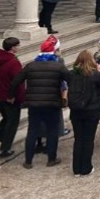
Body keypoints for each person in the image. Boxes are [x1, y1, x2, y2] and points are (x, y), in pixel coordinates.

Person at [14, 36, 70, 169]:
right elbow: (70, 80)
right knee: (52, 131)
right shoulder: (58, 66)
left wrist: (11, 95)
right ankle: (51, 158)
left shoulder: (30, 66)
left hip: (34, 104)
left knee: (32, 131)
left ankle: (28, 160)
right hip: (52, 103)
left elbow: (16, 81)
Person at [67, 50, 100, 176]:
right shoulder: (96, 75)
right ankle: (86, 167)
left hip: (76, 110)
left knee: (78, 139)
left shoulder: (72, 74)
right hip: (91, 110)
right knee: (88, 139)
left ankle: (76, 168)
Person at [0, 37, 23, 158]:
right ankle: (5, 148)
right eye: (18, 45)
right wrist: (18, 97)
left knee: (6, 119)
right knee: (12, 122)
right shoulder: (13, 63)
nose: (19, 47)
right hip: (10, 97)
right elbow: (18, 81)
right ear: (13, 47)